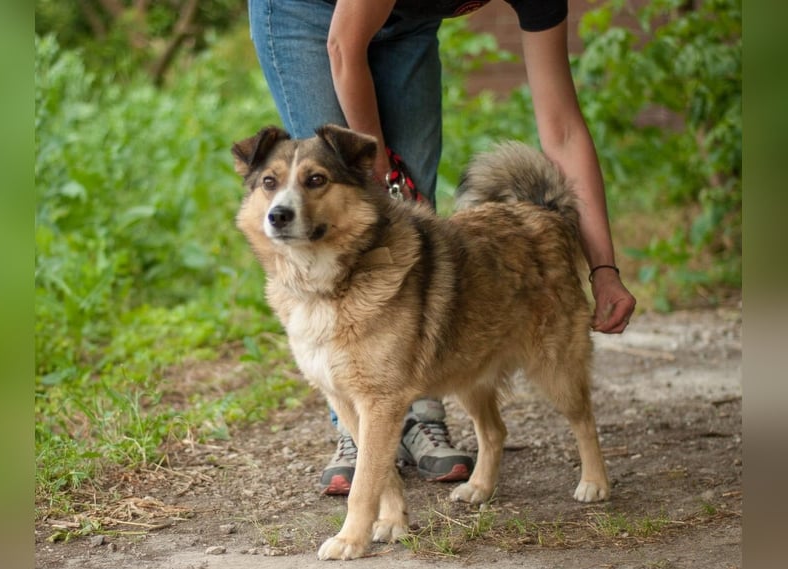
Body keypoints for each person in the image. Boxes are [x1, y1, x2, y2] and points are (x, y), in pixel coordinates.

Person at [247, 0, 637, 496]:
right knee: (327, 186)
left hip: (409, 22)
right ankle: (358, 427)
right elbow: (344, 48)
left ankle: (417, 404)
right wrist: (381, 170)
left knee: (414, 220)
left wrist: (603, 268)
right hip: (304, 13)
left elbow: (561, 128)